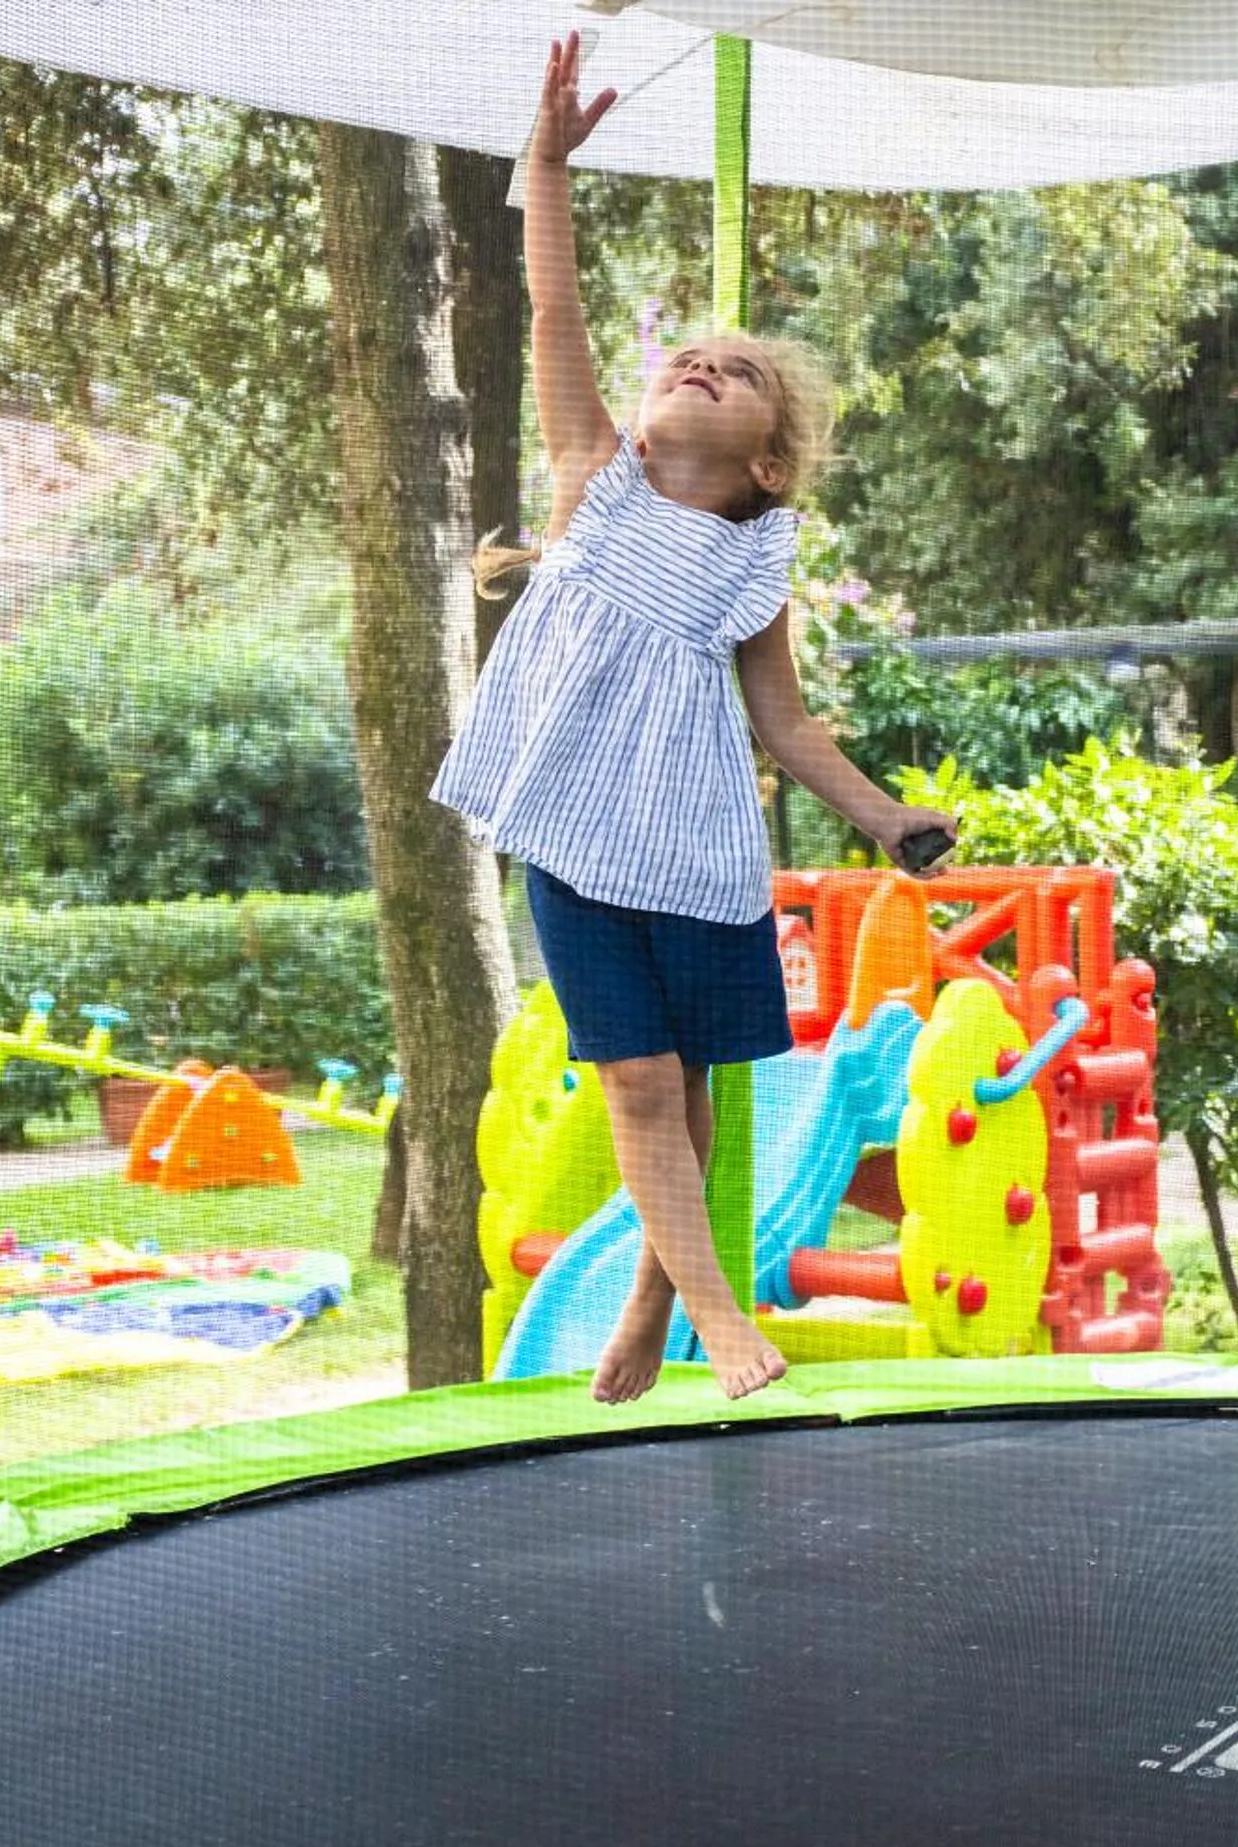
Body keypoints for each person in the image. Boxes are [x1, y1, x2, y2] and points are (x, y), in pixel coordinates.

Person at [433, 37, 956, 1404]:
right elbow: (556, 320)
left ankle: (651, 1314)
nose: (703, 363)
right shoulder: (592, 482)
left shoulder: (753, 560)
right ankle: (720, 1322)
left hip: (701, 846)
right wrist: (543, 166)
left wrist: (884, 816)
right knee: (641, 1085)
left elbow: (782, 723)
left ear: (765, 459)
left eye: (737, 373)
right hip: (574, 833)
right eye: (693, 358)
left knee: (696, 1083)